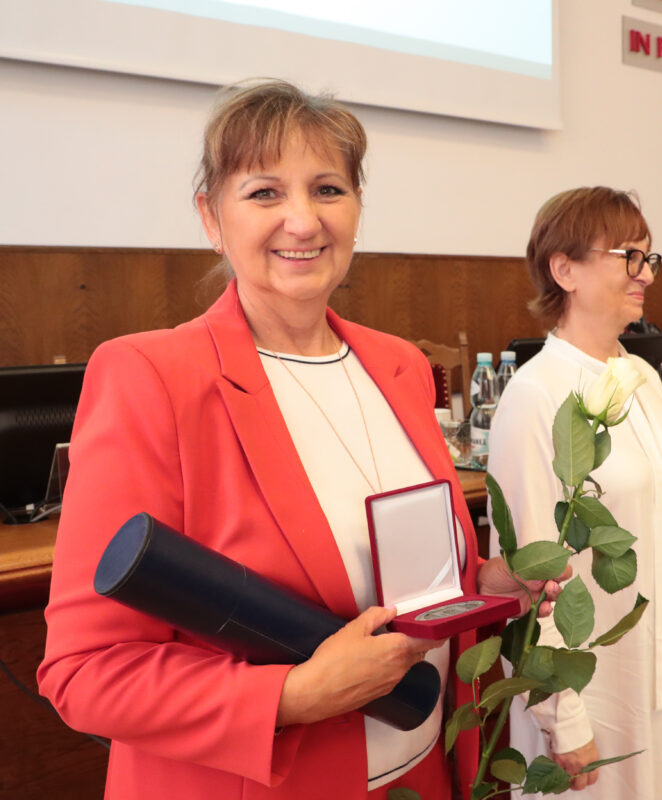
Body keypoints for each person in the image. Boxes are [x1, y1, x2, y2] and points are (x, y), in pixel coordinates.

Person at [37, 79, 560, 800]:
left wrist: (483, 587)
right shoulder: (151, 377)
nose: (303, 220)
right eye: (263, 194)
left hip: (426, 776)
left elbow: (395, 585)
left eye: (327, 189)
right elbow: (85, 671)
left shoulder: (399, 365)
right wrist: (295, 694)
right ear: (210, 218)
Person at [487, 187, 662, 799]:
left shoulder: (638, 375)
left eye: (649, 257)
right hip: (601, 682)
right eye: (628, 256)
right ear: (564, 269)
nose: (645, 274)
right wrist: (564, 722)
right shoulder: (535, 395)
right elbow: (530, 576)